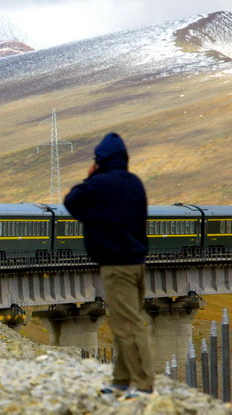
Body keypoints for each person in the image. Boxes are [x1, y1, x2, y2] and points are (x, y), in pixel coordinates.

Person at [63, 132, 153, 399]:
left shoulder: (98, 185)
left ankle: (143, 385)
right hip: (136, 263)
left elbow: (72, 202)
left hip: (117, 266)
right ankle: (122, 381)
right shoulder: (134, 183)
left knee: (128, 325)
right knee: (123, 322)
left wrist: (91, 176)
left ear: (99, 160)